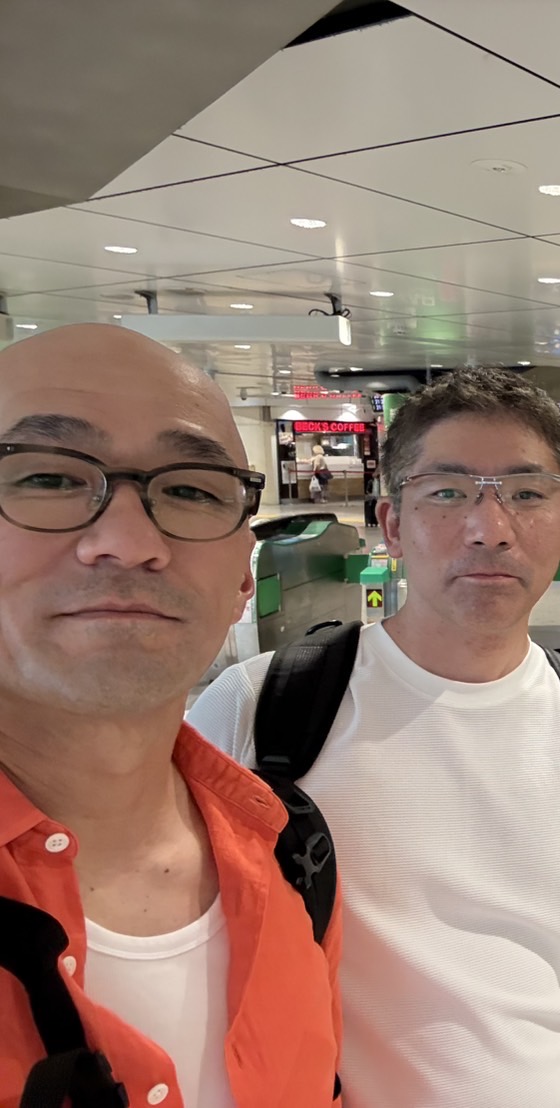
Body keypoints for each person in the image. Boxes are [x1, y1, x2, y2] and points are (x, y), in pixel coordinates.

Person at [188, 368, 560, 1108]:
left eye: (526, 493)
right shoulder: (259, 709)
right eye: (448, 492)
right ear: (392, 524)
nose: (489, 528)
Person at [0, 325, 341, 1106]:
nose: (128, 542)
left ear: (243, 578)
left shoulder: (294, 853)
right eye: (49, 478)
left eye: (190, 490)